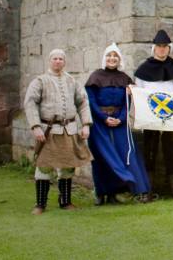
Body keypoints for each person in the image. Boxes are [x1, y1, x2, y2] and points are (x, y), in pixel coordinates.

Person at [24, 49, 93, 214]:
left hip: (69, 130)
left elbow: (83, 103)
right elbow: (30, 103)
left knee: (68, 167)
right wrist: (35, 126)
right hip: (48, 131)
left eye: (61, 59)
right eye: (55, 58)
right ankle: (40, 204)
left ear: (64, 62)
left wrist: (85, 124)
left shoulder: (72, 81)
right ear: (50, 61)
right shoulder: (40, 81)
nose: (58, 61)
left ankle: (65, 202)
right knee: (44, 166)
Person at [86, 43, 153, 204]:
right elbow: (91, 101)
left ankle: (129, 190)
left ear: (119, 59)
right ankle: (102, 193)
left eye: (115, 56)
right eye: (109, 56)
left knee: (127, 154)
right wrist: (104, 118)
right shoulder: (95, 77)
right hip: (99, 123)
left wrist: (121, 119)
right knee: (101, 156)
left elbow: (127, 102)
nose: (112, 59)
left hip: (119, 121)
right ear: (105, 58)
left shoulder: (124, 79)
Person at [133, 30, 173, 199]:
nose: (162, 49)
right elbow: (139, 91)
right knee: (149, 150)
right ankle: (148, 188)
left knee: (171, 150)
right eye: (159, 46)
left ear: (169, 48)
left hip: (171, 117)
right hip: (150, 117)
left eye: (165, 46)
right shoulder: (143, 70)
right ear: (154, 48)